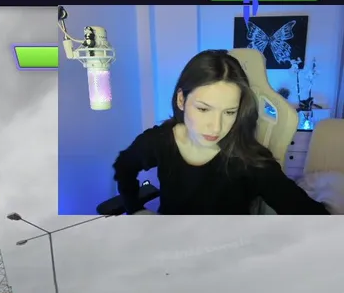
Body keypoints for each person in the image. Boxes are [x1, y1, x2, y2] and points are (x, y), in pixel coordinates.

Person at [112, 49, 328, 215]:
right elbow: (123, 165)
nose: (216, 127)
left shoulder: (249, 159)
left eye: (229, 112)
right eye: (203, 109)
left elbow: (308, 213)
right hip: (172, 248)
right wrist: (134, 208)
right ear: (181, 100)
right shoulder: (159, 141)